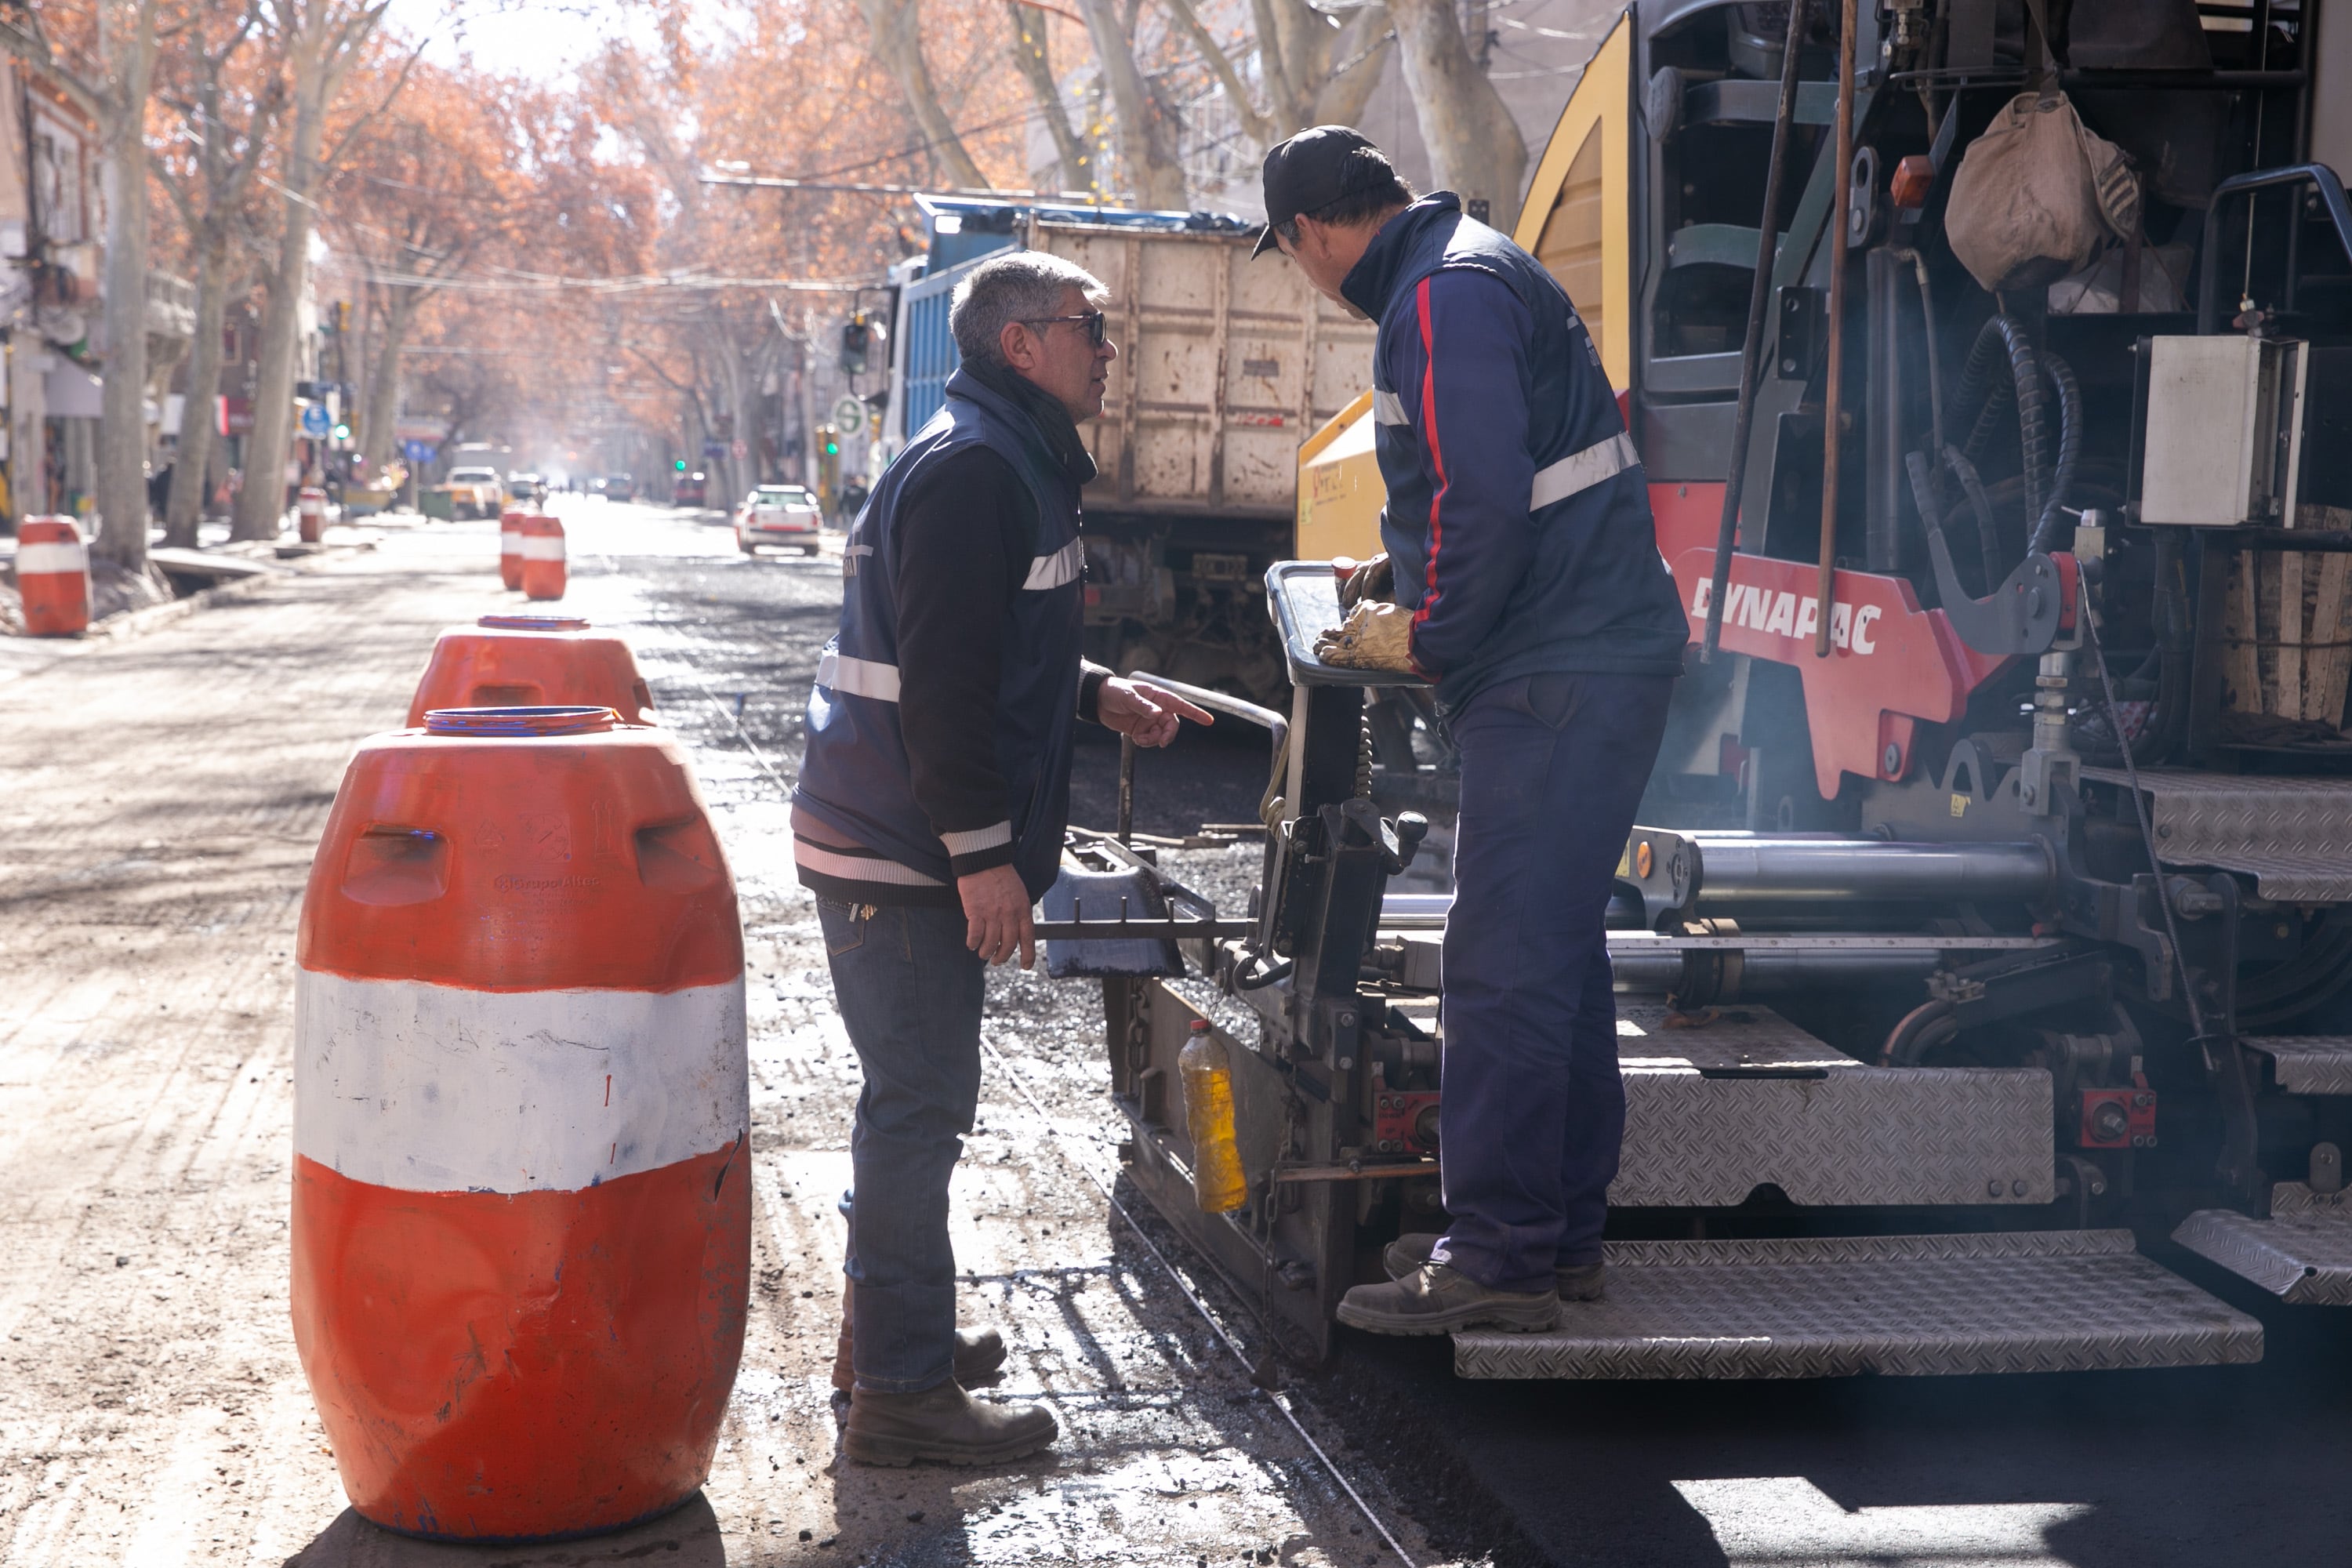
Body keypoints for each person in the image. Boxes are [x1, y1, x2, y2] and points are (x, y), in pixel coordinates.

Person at [1256, 127, 1690, 1334]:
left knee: (1498, 958)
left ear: (1310, 235)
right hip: (1589, 653)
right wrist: (1404, 579)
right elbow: (1480, 488)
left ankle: (1498, 1257)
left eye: (1291, 256)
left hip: (1554, 666)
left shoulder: (1439, 297)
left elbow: (1483, 496)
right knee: (1552, 948)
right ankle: (1559, 1242)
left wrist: (1426, 631)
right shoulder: (1470, 267)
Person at [792, 250, 1214, 1464]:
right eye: (1094, 327)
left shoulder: (1001, 455)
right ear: (1022, 342)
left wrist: (1094, 695)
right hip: (902, 847)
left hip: (894, 831)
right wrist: (983, 861)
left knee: (916, 1102)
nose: (1110, 348)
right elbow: (943, 690)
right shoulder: (980, 468)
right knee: (919, 1106)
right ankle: (906, 1398)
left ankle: (887, 1332)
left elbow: (987, 647)